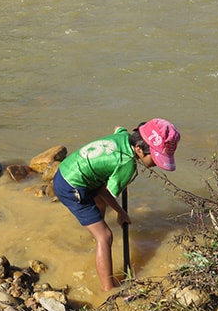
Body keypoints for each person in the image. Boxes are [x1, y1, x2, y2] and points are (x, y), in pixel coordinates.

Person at [52, 118, 181, 292]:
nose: (157, 164)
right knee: (105, 236)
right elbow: (105, 192)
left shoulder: (124, 136)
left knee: (99, 207)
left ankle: (97, 242)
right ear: (138, 149)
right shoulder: (126, 165)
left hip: (67, 169)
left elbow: (118, 128)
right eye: (155, 158)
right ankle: (109, 289)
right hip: (71, 186)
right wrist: (121, 213)